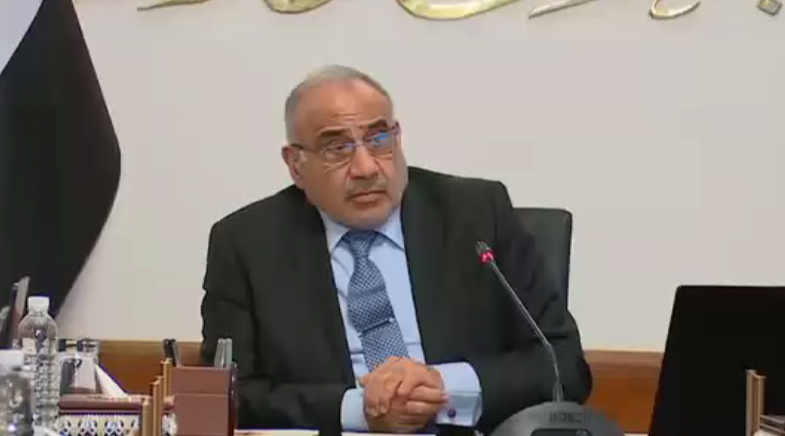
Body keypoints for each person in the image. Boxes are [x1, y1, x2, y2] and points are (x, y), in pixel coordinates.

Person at [200, 65, 592, 436]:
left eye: (379, 139)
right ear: (296, 165)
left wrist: (444, 385)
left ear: (398, 136)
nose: (366, 168)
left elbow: (563, 364)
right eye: (337, 148)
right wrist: (360, 409)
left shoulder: (477, 215)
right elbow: (228, 393)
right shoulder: (246, 244)